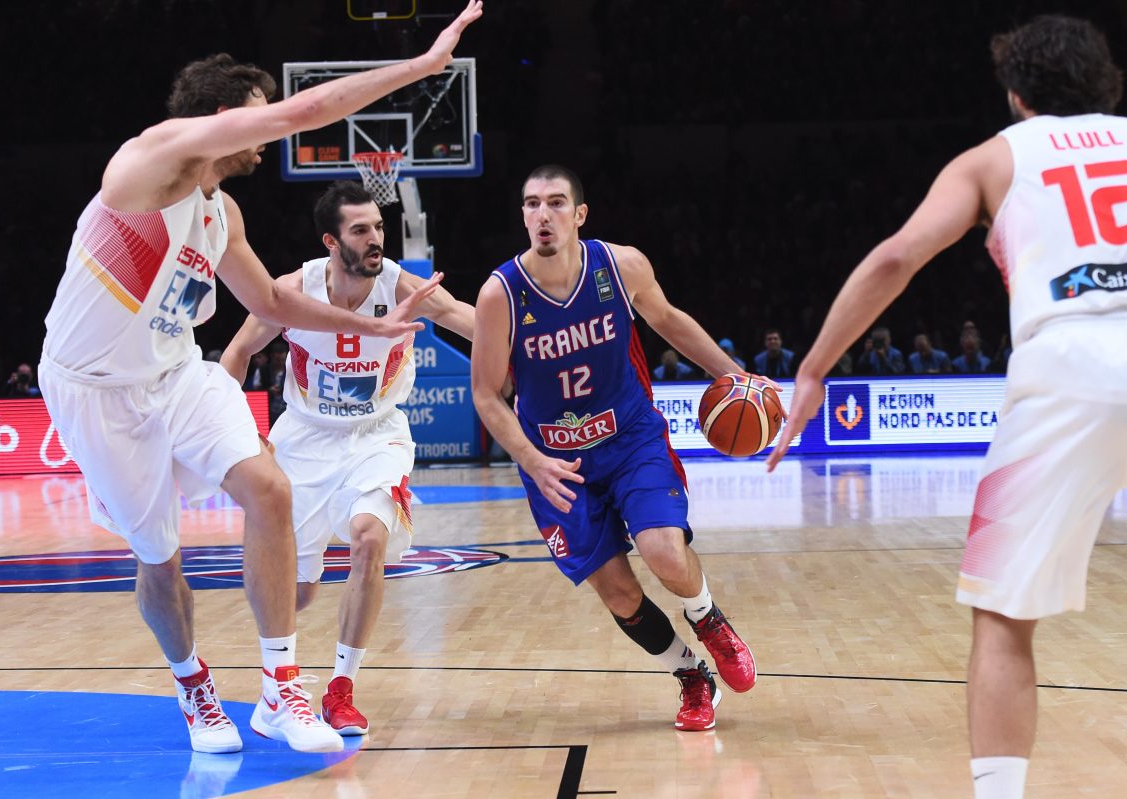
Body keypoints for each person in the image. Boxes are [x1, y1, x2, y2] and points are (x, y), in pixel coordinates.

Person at [36, 1, 483, 757]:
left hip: (178, 371)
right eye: (259, 112)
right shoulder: (153, 157)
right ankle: (193, 684)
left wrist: (370, 326)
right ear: (220, 117)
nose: (272, 122)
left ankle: (280, 688)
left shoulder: (223, 214)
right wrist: (419, 68)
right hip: (96, 390)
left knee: (269, 489)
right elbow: (308, 109)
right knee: (160, 561)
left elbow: (271, 302)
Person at [767, 16, 1126, 798]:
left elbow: (896, 256)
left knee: (1003, 616)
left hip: (1066, 363)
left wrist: (816, 368)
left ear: (1016, 95)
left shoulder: (996, 156)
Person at [472, 164, 774, 732]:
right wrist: (532, 461)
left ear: (579, 215)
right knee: (619, 595)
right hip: (556, 462)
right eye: (533, 204)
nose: (543, 214)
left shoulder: (620, 265)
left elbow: (668, 320)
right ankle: (691, 676)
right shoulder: (500, 294)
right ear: (522, 216)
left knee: (663, 550)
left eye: (556, 203)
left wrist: (738, 377)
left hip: (630, 437)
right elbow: (486, 395)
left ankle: (707, 618)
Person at [221, 181, 474, 737]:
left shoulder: (402, 285)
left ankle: (340, 689)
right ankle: (275, 685)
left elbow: (467, 319)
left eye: (379, 227)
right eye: (361, 230)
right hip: (304, 440)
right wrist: (237, 436)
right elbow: (237, 354)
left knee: (369, 538)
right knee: (298, 591)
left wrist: (537, 345)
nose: (376, 238)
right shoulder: (293, 290)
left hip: (378, 434)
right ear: (331, 242)